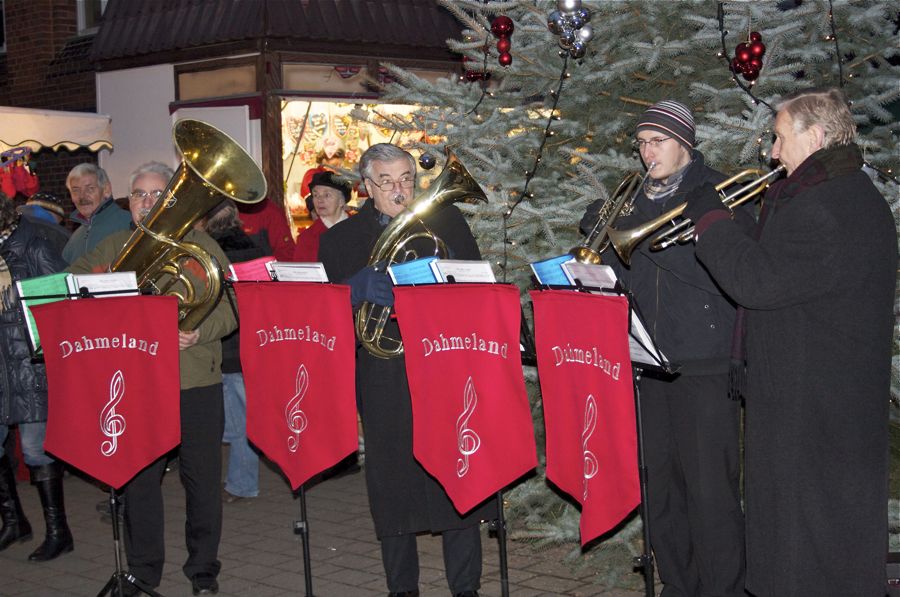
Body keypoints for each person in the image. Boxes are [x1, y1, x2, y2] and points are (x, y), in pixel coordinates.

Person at [683, 86, 897, 597]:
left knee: (807, 545)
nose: (773, 153)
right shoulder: (842, 196)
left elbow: (759, 283)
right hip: (826, 398)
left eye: (779, 139)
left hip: (813, 405)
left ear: (816, 136)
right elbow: (790, 270)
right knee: (821, 537)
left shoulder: (824, 206)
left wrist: (711, 222)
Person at [579, 100, 746, 596]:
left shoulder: (718, 194)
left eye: (659, 141)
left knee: (710, 490)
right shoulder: (627, 200)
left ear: (685, 145)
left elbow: (727, 272)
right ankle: (680, 582)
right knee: (661, 488)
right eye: (642, 142)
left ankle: (724, 588)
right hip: (645, 362)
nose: (647, 152)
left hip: (704, 361)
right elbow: (613, 272)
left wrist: (651, 242)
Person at [318, 144, 493, 597]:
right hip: (383, 374)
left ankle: (466, 585)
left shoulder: (446, 222)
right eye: (387, 182)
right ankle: (402, 587)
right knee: (391, 478)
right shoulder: (341, 239)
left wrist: (445, 277)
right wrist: (352, 289)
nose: (400, 191)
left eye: (406, 180)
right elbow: (326, 320)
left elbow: (478, 285)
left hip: (442, 365)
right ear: (366, 187)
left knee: (455, 469)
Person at [68, 161, 236, 596]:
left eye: (156, 194)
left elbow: (230, 310)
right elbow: (72, 285)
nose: (147, 202)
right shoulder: (115, 245)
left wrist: (200, 330)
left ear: (172, 201)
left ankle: (203, 568)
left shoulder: (202, 247)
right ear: (129, 202)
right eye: (139, 195)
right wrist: (100, 287)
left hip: (194, 380)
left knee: (201, 481)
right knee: (139, 481)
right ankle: (142, 572)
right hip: (135, 384)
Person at [0, 193, 72, 561]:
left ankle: (59, 532)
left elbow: (61, 301)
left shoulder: (33, 241)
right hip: (1, 362)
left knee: (33, 449)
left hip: (29, 363)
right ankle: (14, 521)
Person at [200, 199, 268, 503]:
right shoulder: (258, 246)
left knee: (238, 424)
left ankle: (242, 484)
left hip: (224, 347)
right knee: (241, 419)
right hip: (250, 344)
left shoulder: (208, 254)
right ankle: (241, 480)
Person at [61, 163, 132, 264]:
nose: (82, 197)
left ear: (106, 190)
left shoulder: (129, 224)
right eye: (75, 190)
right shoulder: (74, 239)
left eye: (90, 189)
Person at [292, 171, 353, 262]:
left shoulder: (360, 230)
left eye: (327, 195)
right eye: (316, 195)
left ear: (341, 201)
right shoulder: (306, 239)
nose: (319, 200)